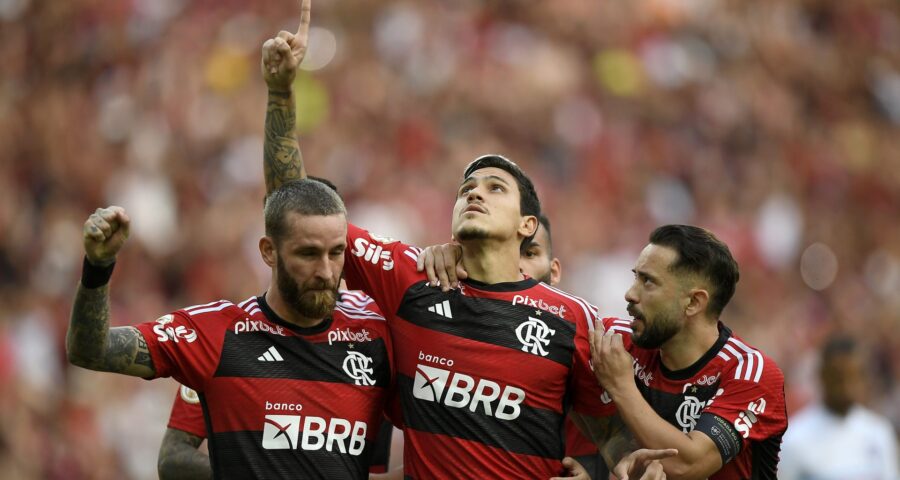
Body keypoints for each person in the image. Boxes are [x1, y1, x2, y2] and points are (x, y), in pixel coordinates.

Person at [259, 15, 676, 476]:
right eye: (466, 188)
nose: (475, 193)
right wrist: (281, 94)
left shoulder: (573, 319)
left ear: (526, 226)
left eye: (495, 188)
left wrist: (621, 467)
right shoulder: (409, 276)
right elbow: (295, 211)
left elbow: (607, 432)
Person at [66, 178, 393, 478]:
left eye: (336, 253)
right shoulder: (217, 334)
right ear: (268, 252)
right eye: (308, 254)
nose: (325, 271)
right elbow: (89, 351)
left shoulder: (376, 332)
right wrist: (98, 267)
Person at [589, 224, 788, 479]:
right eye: (635, 277)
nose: (630, 294)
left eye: (648, 281)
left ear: (694, 302)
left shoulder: (751, 372)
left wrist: (621, 387)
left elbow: (689, 464)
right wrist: (593, 462)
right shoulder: (616, 340)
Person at [779, 336, 899, 480]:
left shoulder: (879, 432)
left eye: (852, 376)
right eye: (838, 377)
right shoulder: (795, 437)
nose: (846, 387)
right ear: (822, 375)